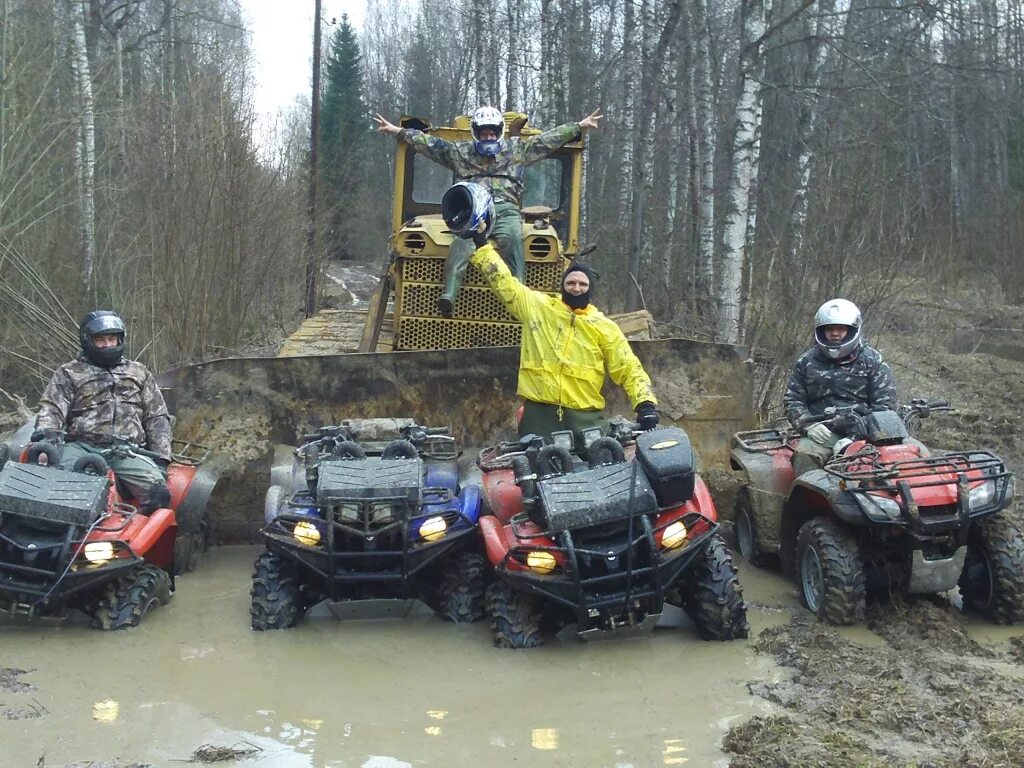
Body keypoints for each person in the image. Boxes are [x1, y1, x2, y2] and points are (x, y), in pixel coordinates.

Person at [442, 183, 658, 449]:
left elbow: (629, 368)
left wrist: (645, 403)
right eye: (571, 283)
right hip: (538, 420)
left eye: (582, 285)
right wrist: (481, 244)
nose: (576, 288)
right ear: (563, 285)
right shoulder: (539, 308)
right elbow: (505, 284)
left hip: (586, 423)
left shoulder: (604, 328)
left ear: (590, 290)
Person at [374, 106, 603, 317]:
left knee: (514, 238)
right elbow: (430, 144)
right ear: (476, 133)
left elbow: (547, 140)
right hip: (473, 207)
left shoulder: (517, 149)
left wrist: (579, 126)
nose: (488, 137)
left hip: (506, 208)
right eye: (484, 133)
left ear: (500, 132)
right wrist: (397, 131)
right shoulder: (460, 153)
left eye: (492, 133)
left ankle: (518, 293)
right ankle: (449, 294)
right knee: (462, 243)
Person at [33, 311, 173, 514]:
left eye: (111, 338)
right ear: (88, 341)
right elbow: (52, 409)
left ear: (120, 339)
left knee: (159, 495)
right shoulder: (69, 372)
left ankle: (127, 537)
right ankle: (71, 540)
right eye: (100, 340)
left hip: (126, 450)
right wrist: (47, 438)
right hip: (81, 446)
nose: (108, 345)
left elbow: (157, 417)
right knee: (65, 489)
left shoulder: (138, 372)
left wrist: (161, 457)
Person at [783, 298, 897, 477]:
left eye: (841, 329)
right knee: (805, 455)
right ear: (821, 331)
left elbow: (885, 405)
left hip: (868, 433)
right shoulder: (806, 362)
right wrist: (809, 425)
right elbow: (793, 399)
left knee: (911, 453)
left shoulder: (873, 361)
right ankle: (809, 503)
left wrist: (855, 437)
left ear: (852, 330)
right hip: (823, 432)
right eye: (829, 329)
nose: (835, 334)